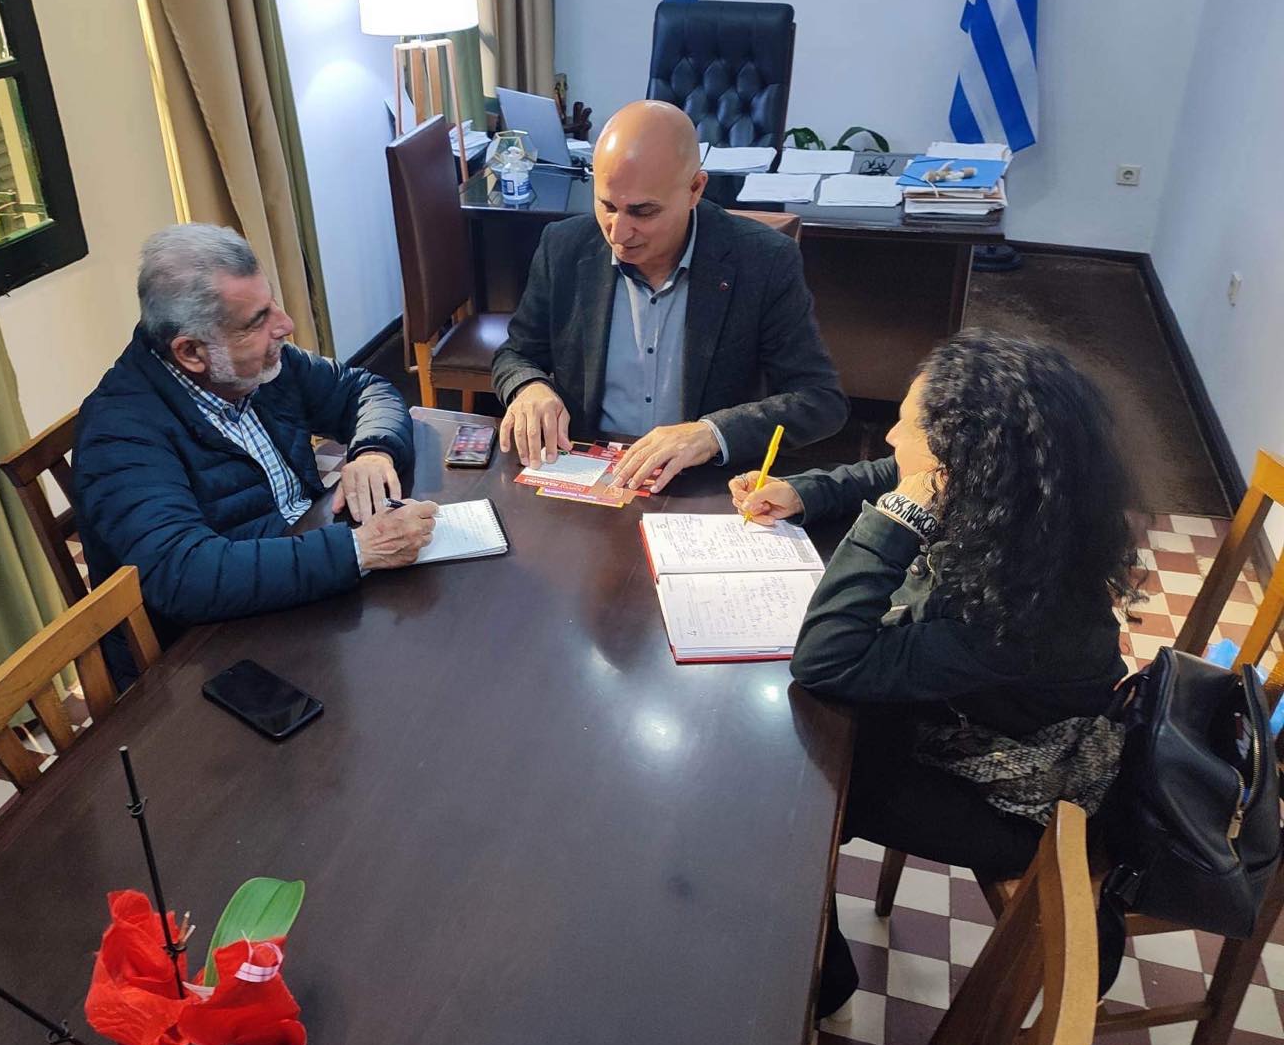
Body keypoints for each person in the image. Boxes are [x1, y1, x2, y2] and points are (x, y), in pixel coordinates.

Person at [731, 330, 1141, 1016]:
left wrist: (894, 521)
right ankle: (807, 950)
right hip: (974, 722)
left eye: (908, 425)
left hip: (1021, 799)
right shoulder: (1022, 511)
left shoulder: (1017, 610)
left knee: (795, 789)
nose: (891, 435)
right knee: (795, 750)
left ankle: (818, 977)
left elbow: (829, 660)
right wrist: (803, 492)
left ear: (960, 462)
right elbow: (888, 473)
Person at [74, 224, 437, 685]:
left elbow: (363, 390)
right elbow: (185, 575)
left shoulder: (260, 367)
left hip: (304, 583)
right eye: (256, 321)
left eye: (273, 304)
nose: (284, 326)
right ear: (191, 352)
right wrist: (360, 550)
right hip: (208, 658)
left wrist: (373, 451)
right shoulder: (119, 434)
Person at [490, 99, 846, 491]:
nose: (618, 233)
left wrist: (710, 433)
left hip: (701, 481)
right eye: (607, 205)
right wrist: (529, 386)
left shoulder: (763, 260)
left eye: (642, 212)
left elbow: (820, 400)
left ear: (695, 189)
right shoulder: (564, 246)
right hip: (590, 471)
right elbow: (516, 354)